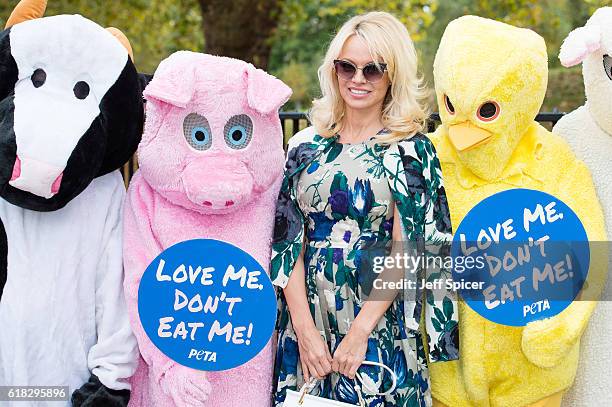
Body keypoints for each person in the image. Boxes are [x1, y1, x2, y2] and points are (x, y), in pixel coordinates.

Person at [270, 11, 459, 407]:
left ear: (393, 75)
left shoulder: (410, 150)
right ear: (333, 69)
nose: (357, 79)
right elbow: (287, 244)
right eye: (347, 67)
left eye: (372, 69)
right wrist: (304, 331)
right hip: (306, 321)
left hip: (376, 322)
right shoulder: (304, 147)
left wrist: (360, 333)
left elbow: (406, 252)